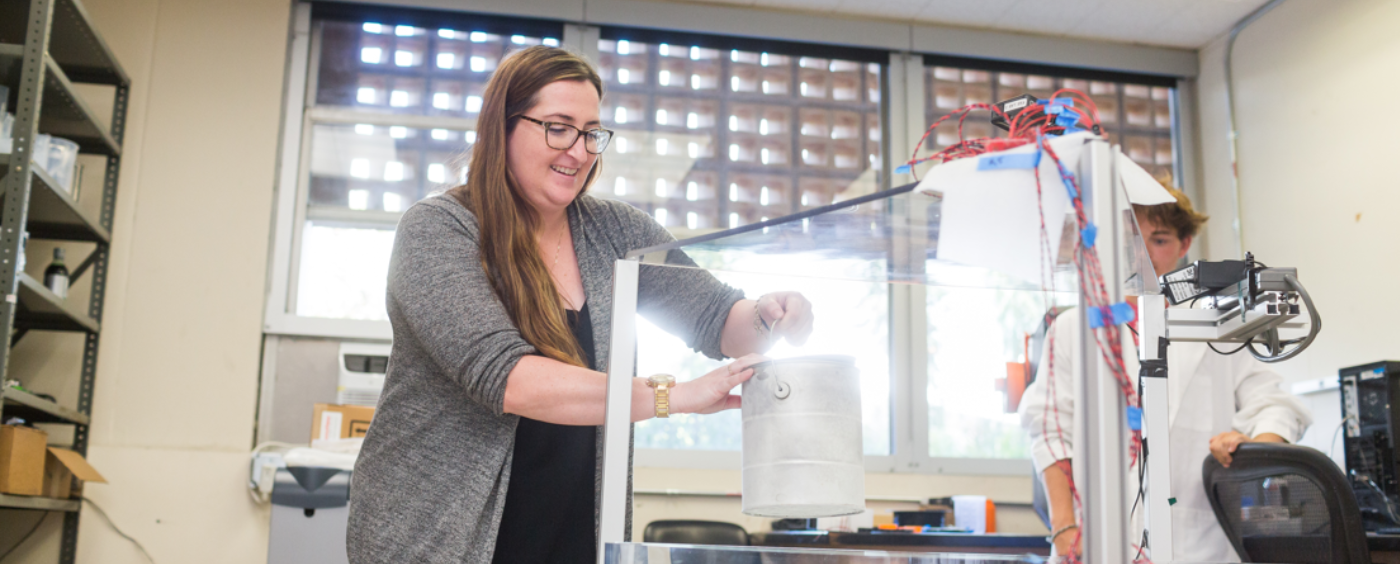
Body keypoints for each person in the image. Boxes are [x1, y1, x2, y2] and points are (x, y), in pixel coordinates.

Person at [347, 46, 814, 564]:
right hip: (439, 539)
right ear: (502, 127)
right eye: (558, 127)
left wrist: (771, 316)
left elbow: (716, 318)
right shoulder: (439, 230)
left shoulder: (618, 232)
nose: (579, 150)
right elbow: (509, 379)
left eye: (591, 132)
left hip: (573, 533)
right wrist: (673, 396)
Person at [1018, 185, 1312, 562]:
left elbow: (1274, 404)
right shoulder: (1073, 328)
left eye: (1158, 239)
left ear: (1184, 243)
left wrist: (1253, 448)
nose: (1141, 253)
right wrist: (1063, 528)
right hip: (1093, 541)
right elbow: (1050, 429)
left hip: (1197, 542)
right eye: (1130, 238)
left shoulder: (1216, 327)